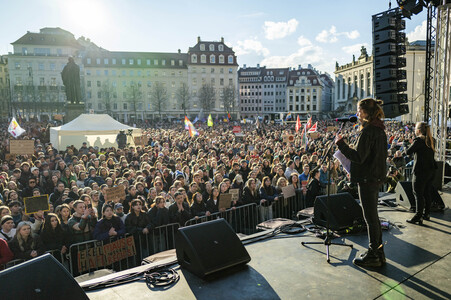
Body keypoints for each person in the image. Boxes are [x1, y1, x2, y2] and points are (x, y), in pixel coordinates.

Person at [335, 98, 387, 268]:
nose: (357, 114)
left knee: (370, 218)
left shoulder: (368, 131)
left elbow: (359, 157)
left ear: (365, 113)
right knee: (373, 217)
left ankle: (373, 255)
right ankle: (378, 253)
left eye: (359, 110)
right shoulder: (380, 130)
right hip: (375, 177)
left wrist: (341, 144)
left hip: (367, 179)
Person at [405, 122, 437, 224]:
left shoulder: (419, 140)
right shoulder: (432, 140)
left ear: (418, 131)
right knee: (427, 192)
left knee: (417, 193)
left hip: (420, 171)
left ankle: (418, 216)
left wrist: (406, 144)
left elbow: (408, 152)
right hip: (431, 170)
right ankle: (426, 214)